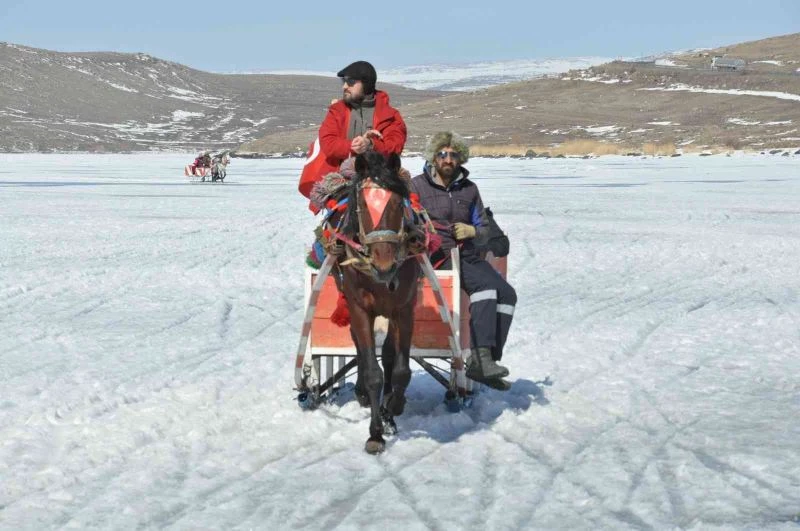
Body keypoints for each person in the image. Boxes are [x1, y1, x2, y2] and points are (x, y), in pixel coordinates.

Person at [410, 132, 517, 390]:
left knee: (507, 294)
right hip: (437, 256)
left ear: (460, 158)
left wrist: (473, 232)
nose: (448, 159)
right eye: (442, 154)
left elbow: (483, 229)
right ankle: (481, 360)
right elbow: (408, 221)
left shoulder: (470, 189)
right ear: (433, 157)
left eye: (453, 154)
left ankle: (487, 361)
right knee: (485, 289)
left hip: (466, 254)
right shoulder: (416, 186)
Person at [298, 60, 408, 203]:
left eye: (350, 82)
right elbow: (328, 143)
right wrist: (354, 146)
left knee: (408, 210)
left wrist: (371, 145)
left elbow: (395, 145)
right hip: (342, 180)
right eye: (343, 81)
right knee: (334, 220)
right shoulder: (336, 111)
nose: (344, 86)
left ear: (366, 84)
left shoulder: (391, 115)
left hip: (382, 178)